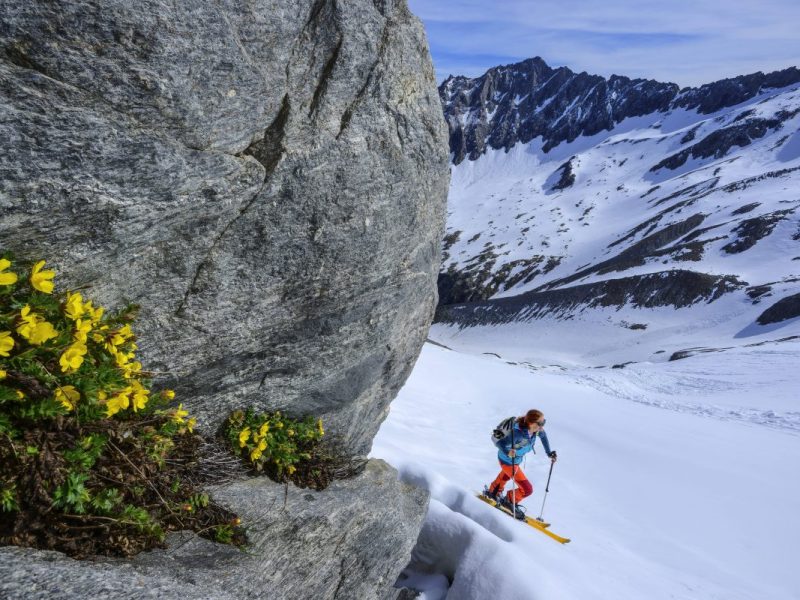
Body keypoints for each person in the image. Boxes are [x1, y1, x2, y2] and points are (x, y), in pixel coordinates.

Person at [486, 409, 557, 517]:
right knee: (527, 489)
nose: (543, 426)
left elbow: (543, 436)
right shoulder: (518, 433)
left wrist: (549, 453)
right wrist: (508, 451)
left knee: (505, 476)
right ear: (531, 423)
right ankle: (509, 500)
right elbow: (501, 442)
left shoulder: (536, 430)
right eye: (541, 423)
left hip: (516, 460)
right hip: (507, 461)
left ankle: (493, 492)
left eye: (544, 422)